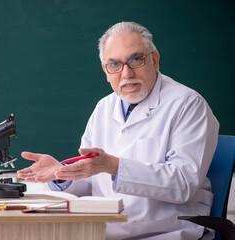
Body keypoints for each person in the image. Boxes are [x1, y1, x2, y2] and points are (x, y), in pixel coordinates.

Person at [17, 22, 219, 240]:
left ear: (155, 59)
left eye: (136, 59)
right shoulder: (103, 108)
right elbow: (90, 182)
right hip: (106, 231)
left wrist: (113, 166)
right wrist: (62, 174)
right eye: (114, 64)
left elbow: (182, 183)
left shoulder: (187, 104)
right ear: (105, 71)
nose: (126, 73)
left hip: (166, 231)